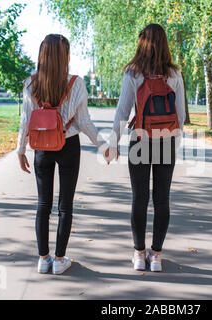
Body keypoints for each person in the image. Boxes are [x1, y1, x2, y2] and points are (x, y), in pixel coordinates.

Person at [16, 34, 102, 275]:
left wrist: (21, 150)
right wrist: (103, 145)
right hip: (68, 146)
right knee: (65, 205)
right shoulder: (76, 83)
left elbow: (25, 120)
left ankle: (43, 259)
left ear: (42, 55)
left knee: (43, 204)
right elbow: (84, 122)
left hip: (41, 147)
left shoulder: (30, 84)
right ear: (65, 56)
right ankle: (60, 259)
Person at [105, 24, 186, 272]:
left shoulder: (133, 72)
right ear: (165, 44)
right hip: (167, 140)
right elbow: (180, 115)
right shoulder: (174, 73)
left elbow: (123, 110)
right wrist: (173, 143)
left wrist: (113, 142)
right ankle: (157, 256)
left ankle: (139, 255)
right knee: (162, 199)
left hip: (140, 139)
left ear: (142, 43)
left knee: (139, 198)